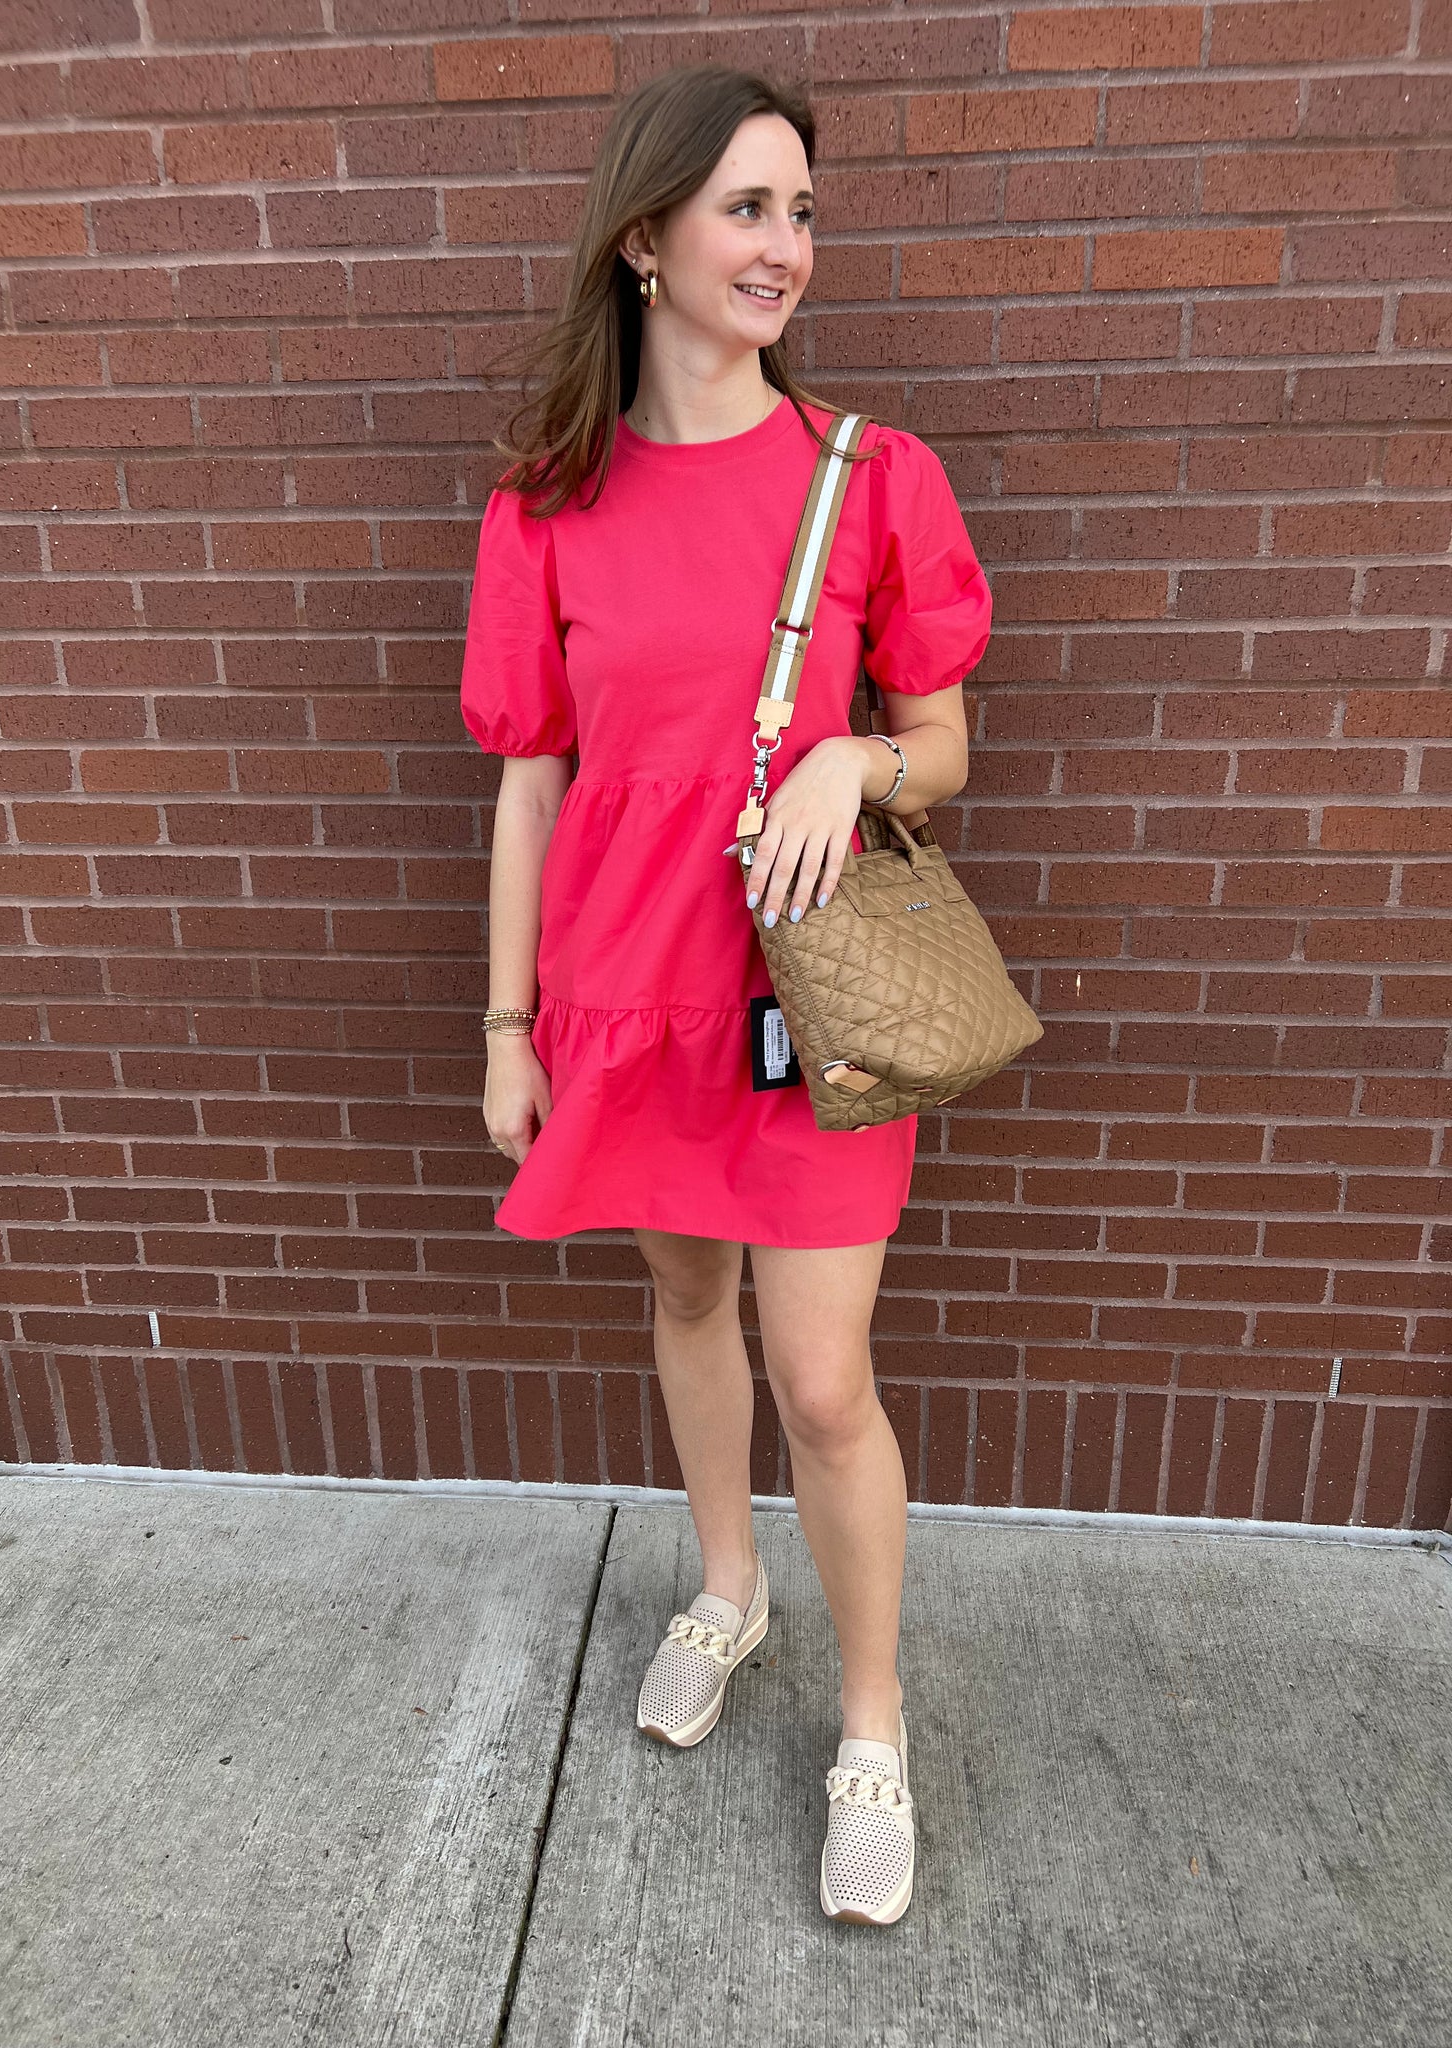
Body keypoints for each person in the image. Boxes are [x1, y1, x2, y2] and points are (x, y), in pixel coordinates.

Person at [459, 63, 991, 1926]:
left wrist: (857, 759)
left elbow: (943, 743)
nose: (785, 247)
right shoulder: (548, 508)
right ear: (644, 239)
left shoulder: (870, 477)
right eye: (747, 209)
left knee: (824, 1383)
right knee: (686, 1299)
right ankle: (726, 1586)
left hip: (805, 1007)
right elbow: (530, 780)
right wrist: (509, 1031)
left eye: (802, 213)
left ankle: (873, 1729)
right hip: (626, 996)